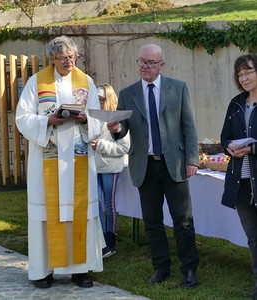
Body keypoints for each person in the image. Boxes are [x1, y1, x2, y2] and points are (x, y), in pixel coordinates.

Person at [107, 44, 200, 288]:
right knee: (152, 222)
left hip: (175, 165)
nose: (144, 67)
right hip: (144, 166)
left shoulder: (178, 88)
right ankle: (161, 268)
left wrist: (192, 159)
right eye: (141, 62)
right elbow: (123, 128)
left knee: (183, 220)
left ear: (162, 65)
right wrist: (117, 130)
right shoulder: (127, 93)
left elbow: (189, 125)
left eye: (150, 63)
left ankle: (189, 269)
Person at [15, 35, 104, 289]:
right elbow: (22, 118)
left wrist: (87, 120)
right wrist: (47, 122)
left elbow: (97, 117)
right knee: (46, 215)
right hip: (48, 160)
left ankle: (80, 270)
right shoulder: (37, 82)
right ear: (52, 58)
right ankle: (43, 272)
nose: (69, 61)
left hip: (78, 158)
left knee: (79, 211)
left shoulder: (85, 82)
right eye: (63, 58)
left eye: (72, 57)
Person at [220, 53, 257, 299]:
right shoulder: (235, 104)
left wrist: (253, 149)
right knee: (254, 237)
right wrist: (229, 148)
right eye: (239, 74)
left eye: (248, 72)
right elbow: (225, 136)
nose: (243, 78)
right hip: (241, 182)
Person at [91, 84, 130, 258]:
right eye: (96, 99)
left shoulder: (117, 119)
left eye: (101, 99)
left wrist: (99, 145)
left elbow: (124, 147)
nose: (98, 103)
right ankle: (99, 241)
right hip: (94, 166)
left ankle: (111, 242)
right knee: (96, 203)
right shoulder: (93, 118)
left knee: (109, 204)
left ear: (109, 99)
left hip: (110, 167)